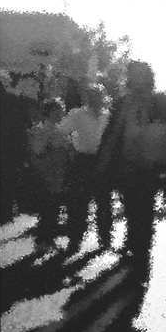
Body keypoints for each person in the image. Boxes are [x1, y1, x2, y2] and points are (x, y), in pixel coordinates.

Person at [97, 61, 166, 287]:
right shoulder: (122, 103)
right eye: (133, 76)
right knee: (133, 211)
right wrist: (103, 163)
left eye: (140, 76)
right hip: (127, 166)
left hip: (149, 168)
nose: (136, 80)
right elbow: (113, 134)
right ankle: (135, 249)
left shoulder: (161, 102)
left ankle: (141, 258)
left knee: (143, 213)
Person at [58, 82, 109, 255]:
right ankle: (75, 239)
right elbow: (60, 132)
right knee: (78, 202)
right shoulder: (77, 114)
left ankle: (105, 239)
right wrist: (71, 148)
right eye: (91, 96)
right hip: (82, 161)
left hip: (102, 161)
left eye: (98, 96)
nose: (95, 99)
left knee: (103, 202)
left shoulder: (108, 116)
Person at [28, 99, 71, 254]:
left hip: (57, 176)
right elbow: (38, 152)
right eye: (60, 110)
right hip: (47, 177)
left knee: (53, 210)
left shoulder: (57, 129)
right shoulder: (42, 130)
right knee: (48, 210)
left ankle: (47, 240)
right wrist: (53, 144)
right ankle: (42, 242)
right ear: (52, 112)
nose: (63, 113)